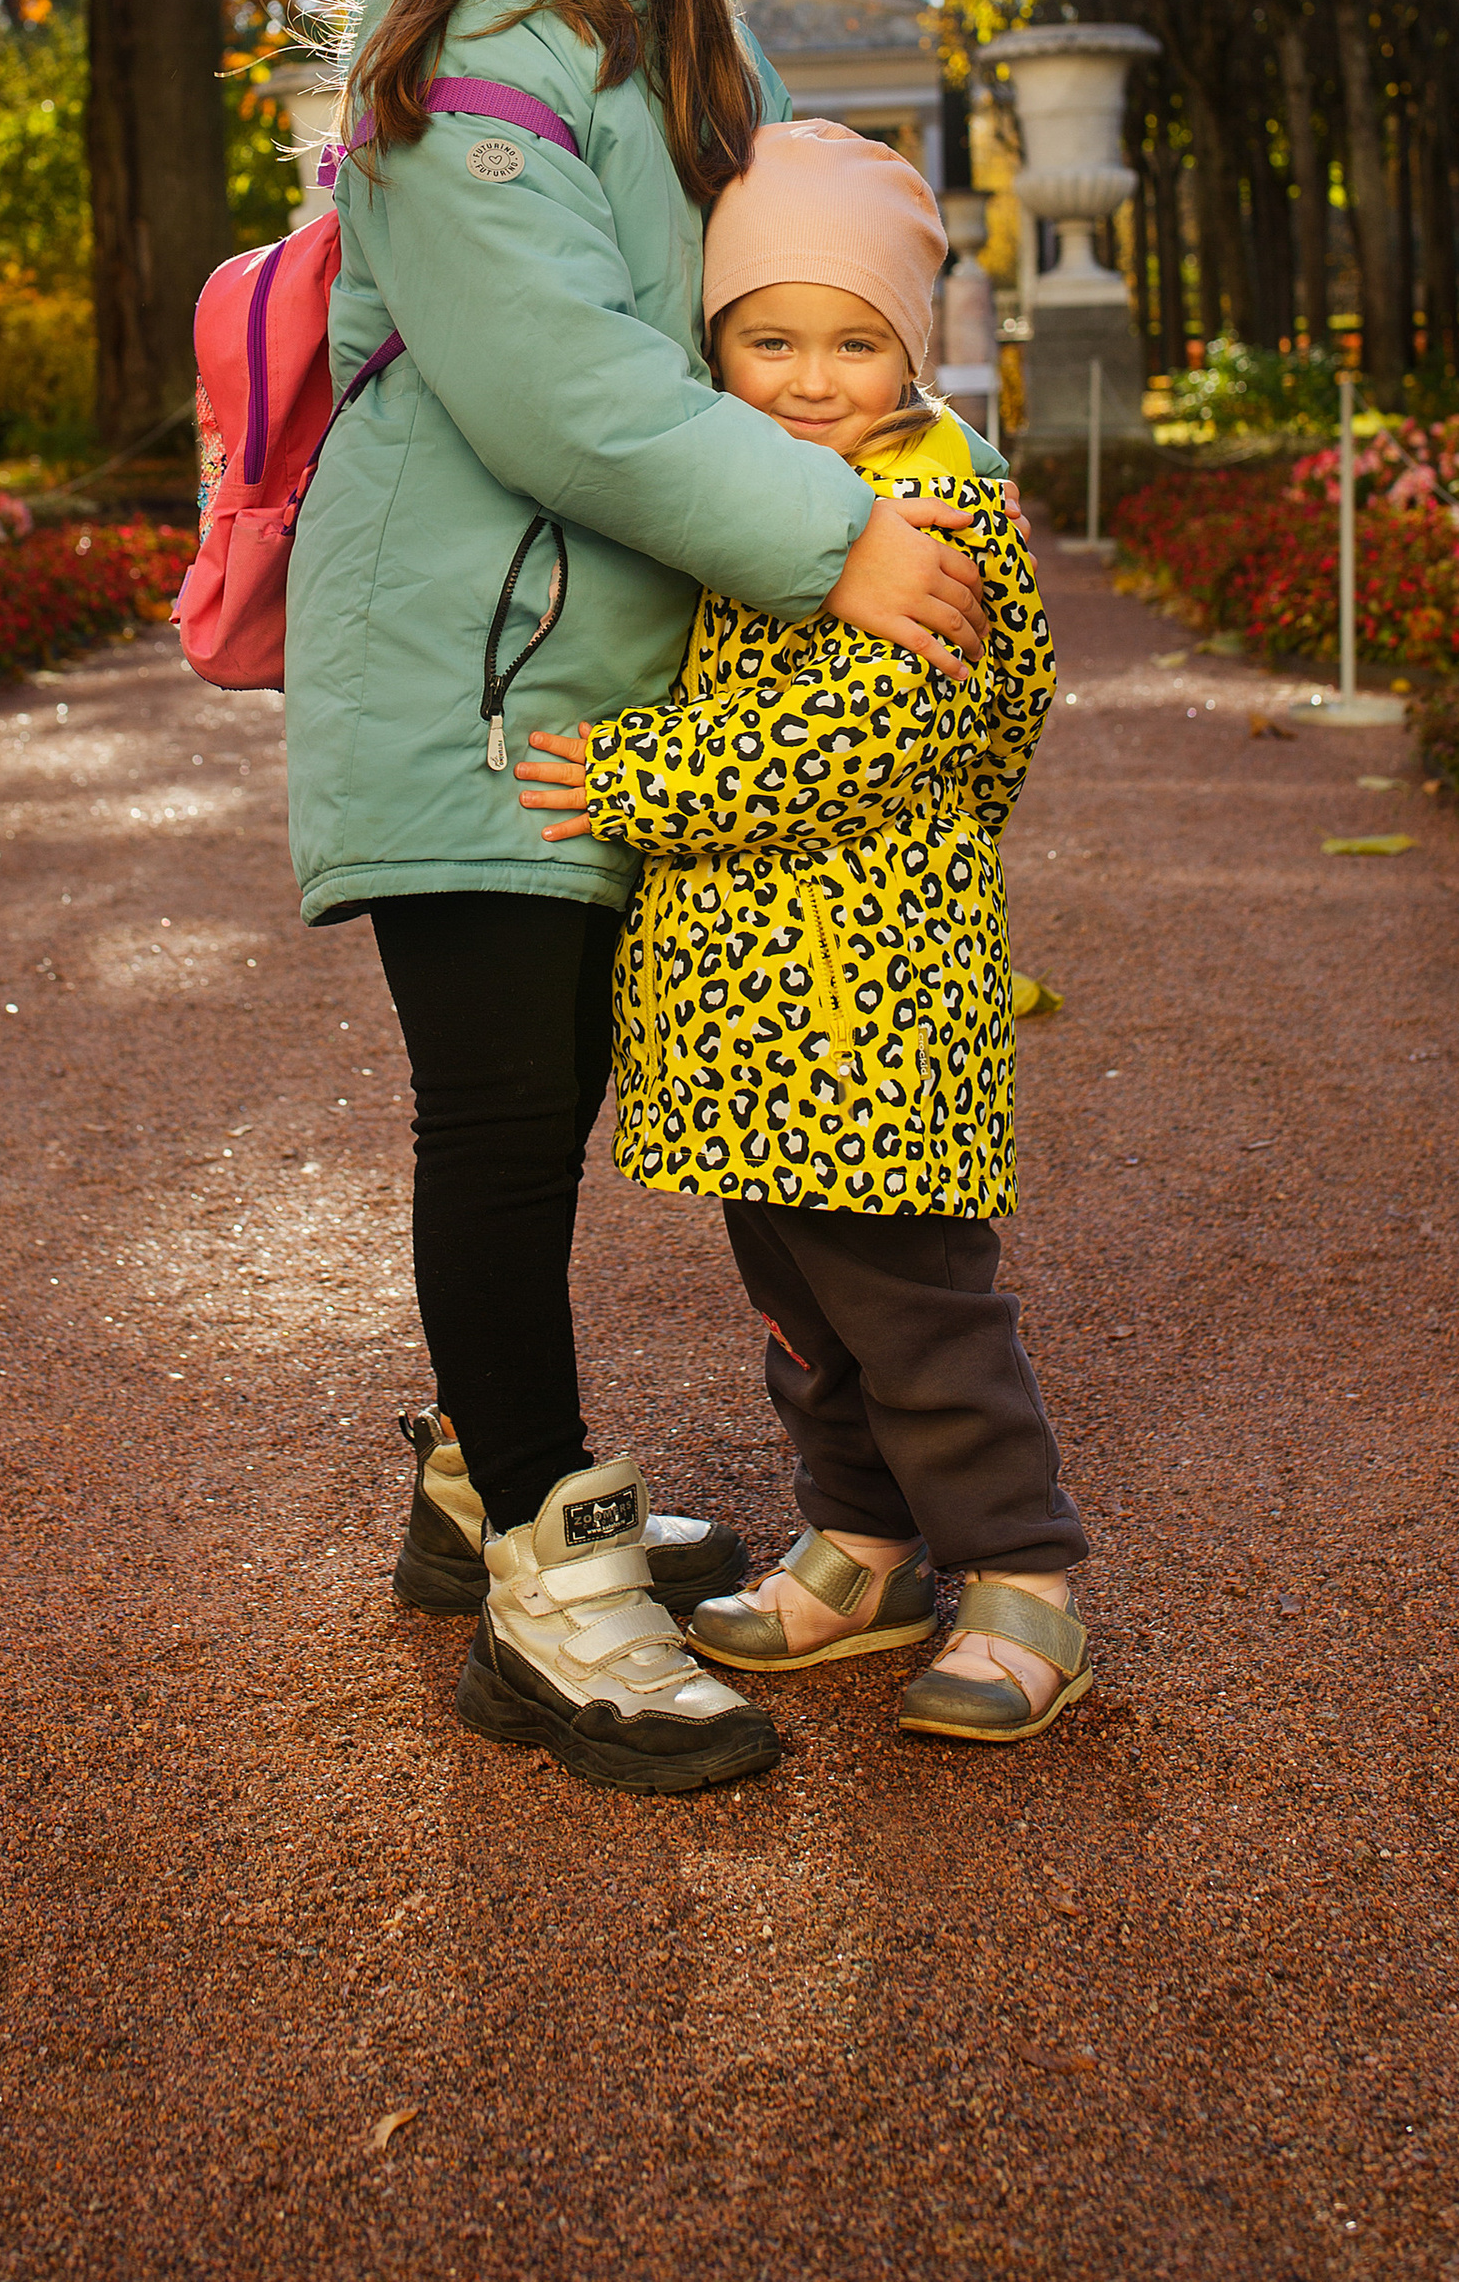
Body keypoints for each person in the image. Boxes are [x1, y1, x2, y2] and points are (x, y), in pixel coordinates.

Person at [283, 0, 991, 1798]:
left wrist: (909, 450)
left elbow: (788, 276)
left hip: (624, 684)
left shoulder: (692, 39)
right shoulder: (452, 77)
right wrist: (839, 544)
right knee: (500, 1127)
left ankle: (472, 1480)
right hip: (469, 682)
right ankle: (548, 1589)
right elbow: (569, 393)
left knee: (571, 1098)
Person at [512, 118, 1094, 1746]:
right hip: (750, 1003)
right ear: (717, 343)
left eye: (858, 342)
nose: (813, 376)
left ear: (915, 348)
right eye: (770, 339)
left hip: (868, 993)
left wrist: (627, 772)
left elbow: (862, 734)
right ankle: (861, 1543)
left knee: (914, 1305)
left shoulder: (932, 511)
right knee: (802, 1303)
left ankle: (1024, 1572)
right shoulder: (747, 490)